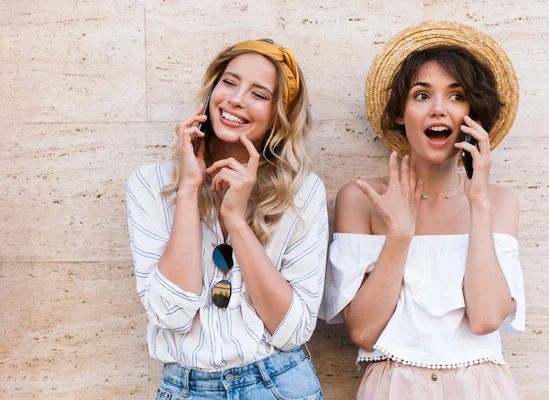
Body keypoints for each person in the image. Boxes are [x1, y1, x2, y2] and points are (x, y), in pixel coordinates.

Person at [319, 21, 525, 399]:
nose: (438, 110)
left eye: (456, 95)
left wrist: (478, 203)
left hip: (481, 387)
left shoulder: (498, 202)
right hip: (393, 385)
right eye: (421, 95)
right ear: (400, 112)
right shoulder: (361, 198)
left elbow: (484, 318)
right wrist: (399, 234)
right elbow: (363, 332)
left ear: (473, 114)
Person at [126, 39, 327, 400]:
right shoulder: (150, 184)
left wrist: (235, 219)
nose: (236, 99)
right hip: (186, 388)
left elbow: (292, 330)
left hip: (279, 384)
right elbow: (169, 313)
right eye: (230, 82)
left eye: (259, 94)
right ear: (212, 90)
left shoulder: (303, 191)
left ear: (278, 116)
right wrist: (189, 188)